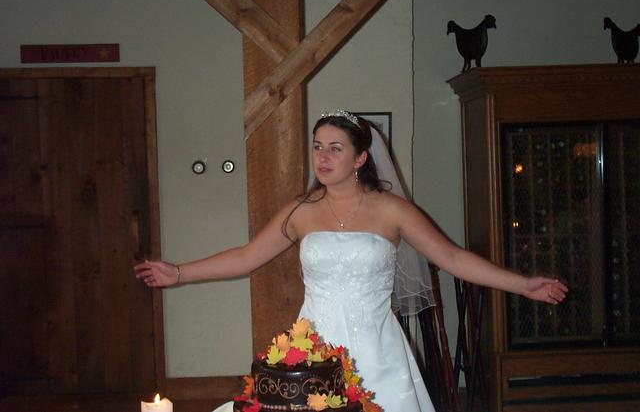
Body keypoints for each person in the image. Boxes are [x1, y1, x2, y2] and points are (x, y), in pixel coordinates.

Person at [135, 110, 568, 412]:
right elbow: (247, 256)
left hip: (377, 348)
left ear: (360, 158)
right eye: (318, 147)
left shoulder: (392, 211)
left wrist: (522, 284)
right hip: (311, 347)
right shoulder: (301, 210)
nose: (322, 157)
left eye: (335, 148)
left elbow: (453, 257)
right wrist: (180, 272)